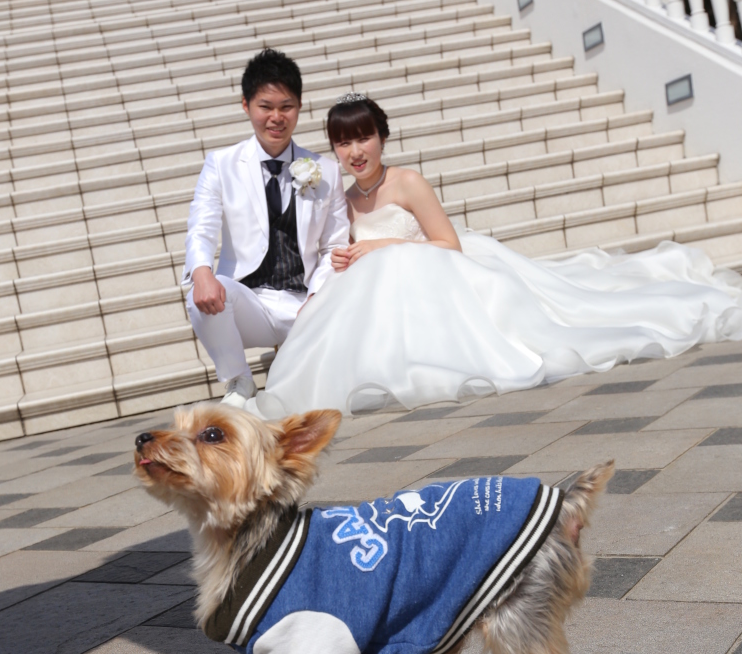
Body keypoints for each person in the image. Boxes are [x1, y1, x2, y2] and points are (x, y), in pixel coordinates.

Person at [254, 93, 742, 417]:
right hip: (384, 294)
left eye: (363, 137)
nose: (354, 151)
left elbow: (447, 245)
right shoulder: (341, 194)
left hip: (440, 276)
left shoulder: (408, 182)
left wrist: (381, 245)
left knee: (396, 265)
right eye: (343, 142)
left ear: (382, 136)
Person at [183, 49, 349, 407]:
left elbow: (333, 247)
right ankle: (240, 381)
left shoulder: (326, 170)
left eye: (286, 106)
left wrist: (317, 298)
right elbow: (202, 225)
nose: (276, 117)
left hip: (305, 303)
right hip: (249, 302)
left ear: (300, 107)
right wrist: (201, 271)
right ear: (246, 106)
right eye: (265, 106)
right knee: (200, 292)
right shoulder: (221, 164)